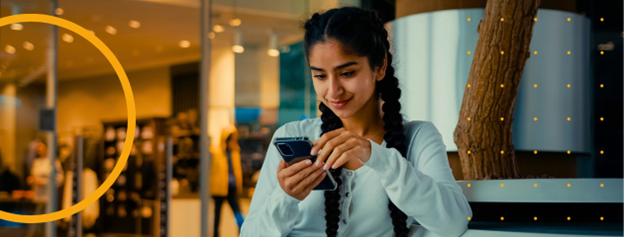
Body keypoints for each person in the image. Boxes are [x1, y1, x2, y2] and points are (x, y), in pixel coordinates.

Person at [240, 7, 472, 237]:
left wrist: (375, 155)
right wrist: (286, 197)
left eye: (347, 73)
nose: (333, 91)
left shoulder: (418, 137)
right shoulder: (291, 134)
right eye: (320, 76)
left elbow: (454, 223)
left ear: (380, 66)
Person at [209, 125, 245, 237]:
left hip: (232, 187)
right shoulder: (216, 151)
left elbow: (237, 169)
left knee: (238, 213)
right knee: (217, 216)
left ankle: (242, 232)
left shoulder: (235, 151)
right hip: (219, 189)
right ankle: (215, 234)